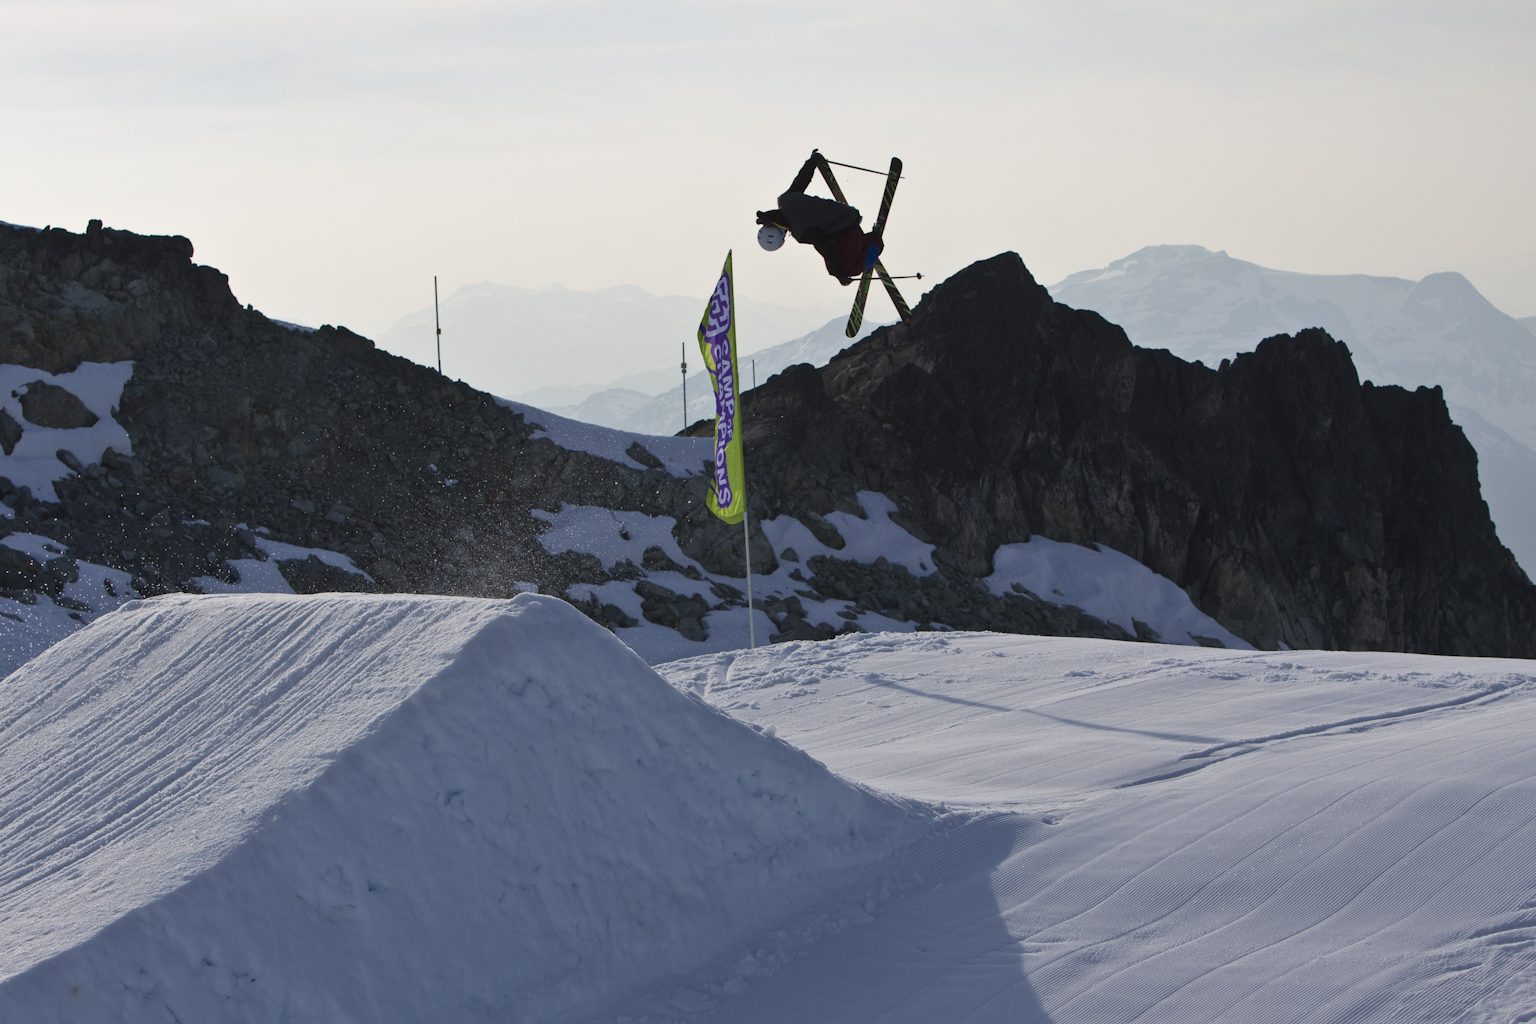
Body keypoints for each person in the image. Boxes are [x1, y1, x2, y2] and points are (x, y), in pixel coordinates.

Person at [756, 152, 883, 285]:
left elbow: (825, 248)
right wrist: (811, 162)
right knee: (833, 265)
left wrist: (841, 275)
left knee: (850, 268)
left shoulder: (802, 230)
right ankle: (858, 246)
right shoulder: (785, 200)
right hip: (840, 216)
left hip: (846, 228)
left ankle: (874, 241)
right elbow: (801, 181)